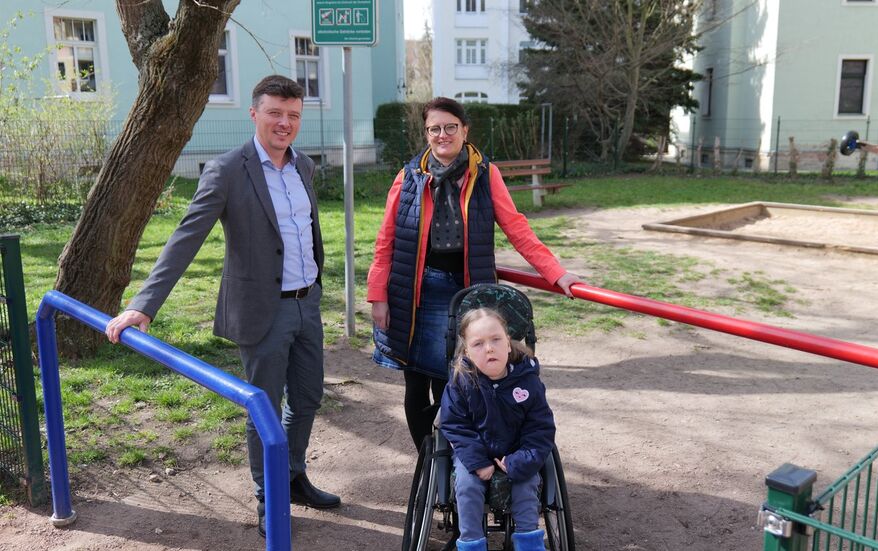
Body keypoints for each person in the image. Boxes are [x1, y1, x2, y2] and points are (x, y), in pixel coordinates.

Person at [104, 75, 340, 537]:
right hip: (262, 309)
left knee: (308, 397)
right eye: (275, 112)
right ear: (254, 114)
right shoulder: (229, 169)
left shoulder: (304, 166)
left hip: (307, 304)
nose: (284, 123)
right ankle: (266, 497)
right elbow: (186, 237)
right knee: (265, 407)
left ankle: (291, 477)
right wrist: (144, 306)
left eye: (293, 115)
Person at [367, 96, 580, 452]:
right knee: (416, 382)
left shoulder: (485, 174)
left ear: (465, 130)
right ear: (426, 133)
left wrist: (556, 274)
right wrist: (378, 295)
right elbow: (386, 239)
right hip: (416, 293)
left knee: (458, 382)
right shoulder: (408, 176)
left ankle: (456, 456)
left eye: (450, 127)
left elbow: (518, 228)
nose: (442, 135)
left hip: (467, 293)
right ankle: (429, 464)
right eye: (434, 128)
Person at [440, 307, 555, 551]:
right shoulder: (461, 382)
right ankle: (471, 544)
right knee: (466, 485)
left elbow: (540, 429)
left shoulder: (528, 381)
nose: (489, 348)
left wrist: (520, 460)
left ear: (509, 344)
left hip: (517, 451)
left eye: (496, 340)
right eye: (478, 344)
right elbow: (454, 425)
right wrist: (478, 461)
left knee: (526, 482)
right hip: (474, 453)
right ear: (467, 352)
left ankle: (529, 544)